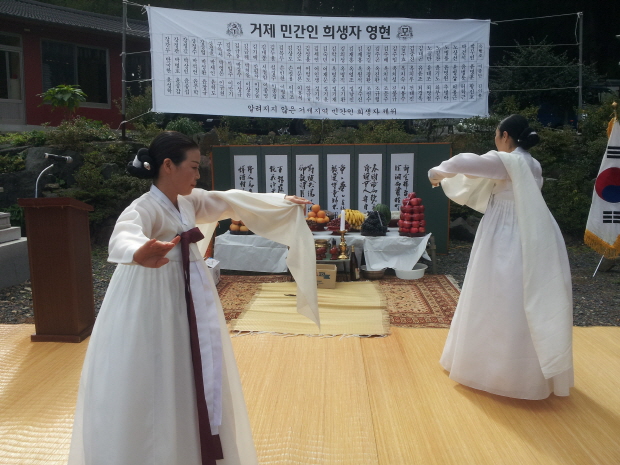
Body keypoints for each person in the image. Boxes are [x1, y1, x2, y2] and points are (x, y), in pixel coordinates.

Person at [68, 131, 319, 465]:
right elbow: (125, 232)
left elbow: (228, 200)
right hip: (154, 301)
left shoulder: (187, 201)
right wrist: (138, 251)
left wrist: (279, 201)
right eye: (194, 166)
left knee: (190, 367)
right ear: (168, 165)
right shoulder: (145, 207)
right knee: (159, 370)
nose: (198, 175)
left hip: (188, 298)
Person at [428, 115, 573, 400]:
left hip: (506, 234)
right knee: (523, 296)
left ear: (505, 136)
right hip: (534, 231)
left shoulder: (506, 161)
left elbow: (463, 162)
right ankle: (527, 375)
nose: (495, 140)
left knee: (496, 294)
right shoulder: (533, 163)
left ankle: (494, 373)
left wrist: (436, 173)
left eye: (497, 135)